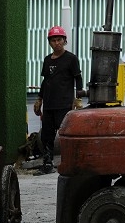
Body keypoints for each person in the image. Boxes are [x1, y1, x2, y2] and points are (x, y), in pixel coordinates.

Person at [33, 26, 86, 174]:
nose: (57, 43)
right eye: (54, 40)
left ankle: (70, 164)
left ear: (65, 41)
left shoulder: (71, 59)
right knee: (46, 136)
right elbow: (46, 81)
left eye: (59, 40)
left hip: (64, 103)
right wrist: (39, 99)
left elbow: (78, 78)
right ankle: (47, 164)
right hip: (49, 104)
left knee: (65, 135)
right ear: (50, 42)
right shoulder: (47, 60)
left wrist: (78, 99)